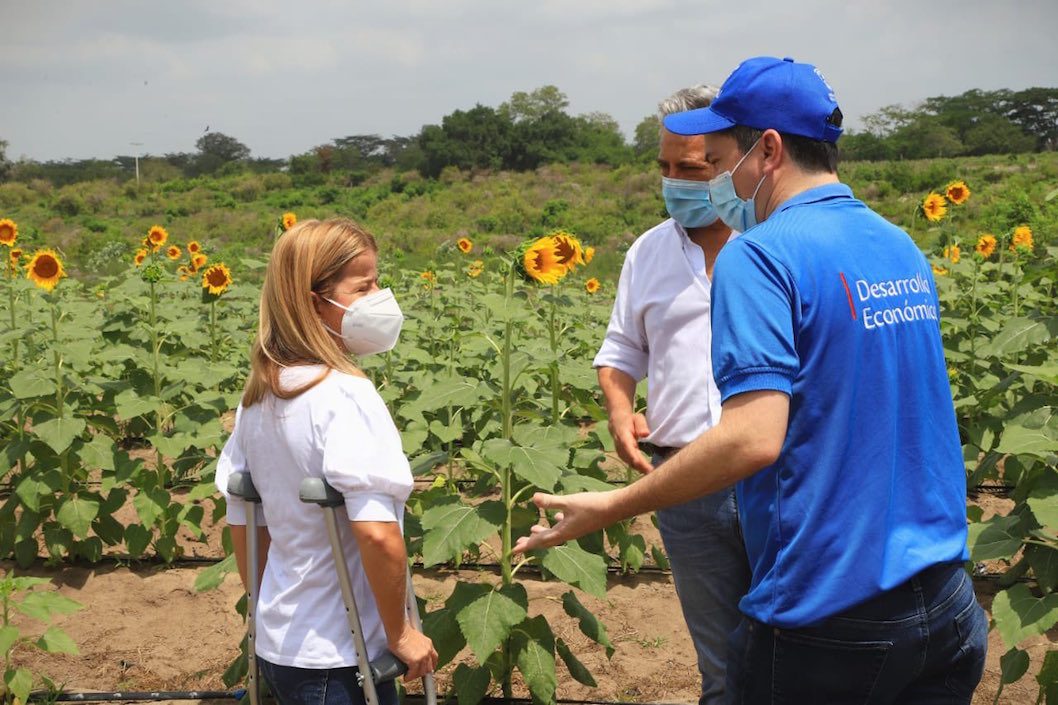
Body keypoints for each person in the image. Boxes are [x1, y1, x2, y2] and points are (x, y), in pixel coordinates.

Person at [516, 57, 987, 703]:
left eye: (719, 153)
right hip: (944, 601)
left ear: (765, 149)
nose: (713, 172)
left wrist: (613, 504)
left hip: (831, 614)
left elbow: (752, 439)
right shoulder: (893, 241)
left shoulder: (761, 253)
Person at [215, 218, 437, 705]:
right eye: (365, 286)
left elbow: (245, 520)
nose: (381, 296)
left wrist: (271, 603)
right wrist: (400, 634)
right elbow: (376, 532)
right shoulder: (345, 395)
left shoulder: (256, 400)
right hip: (342, 654)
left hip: (283, 645)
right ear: (316, 301)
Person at [594, 84, 749, 705]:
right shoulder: (648, 251)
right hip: (684, 477)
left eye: (691, 168)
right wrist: (618, 406)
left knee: (800, 648)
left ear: (736, 160)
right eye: (664, 168)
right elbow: (622, 348)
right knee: (720, 662)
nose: (674, 181)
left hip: (780, 474)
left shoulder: (776, 242)